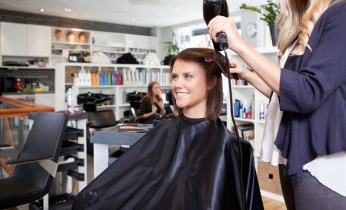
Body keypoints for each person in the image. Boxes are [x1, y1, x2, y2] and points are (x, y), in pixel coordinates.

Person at [208, 0, 346, 209]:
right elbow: (286, 96)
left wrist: (240, 45)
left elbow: (308, 92)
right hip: (293, 158)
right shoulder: (304, 28)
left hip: (323, 165)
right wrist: (247, 74)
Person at [73, 47, 263, 210]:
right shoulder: (165, 131)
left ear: (211, 82)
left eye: (188, 76)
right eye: (174, 77)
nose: (177, 84)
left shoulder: (230, 147)